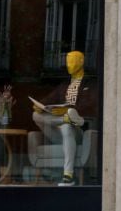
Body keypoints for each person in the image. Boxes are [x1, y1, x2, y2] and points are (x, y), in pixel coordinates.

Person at [32, 51, 97, 186]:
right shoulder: (63, 85)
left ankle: (68, 175)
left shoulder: (90, 84)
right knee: (36, 115)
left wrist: (68, 110)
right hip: (59, 127)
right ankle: (65, 119)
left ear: (81, 62)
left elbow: (92, 105)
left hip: (77, 129)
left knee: (68, 124)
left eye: (72, 61)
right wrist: (40, 106)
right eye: (67, 61)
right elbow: (49, 99)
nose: (68, 64)